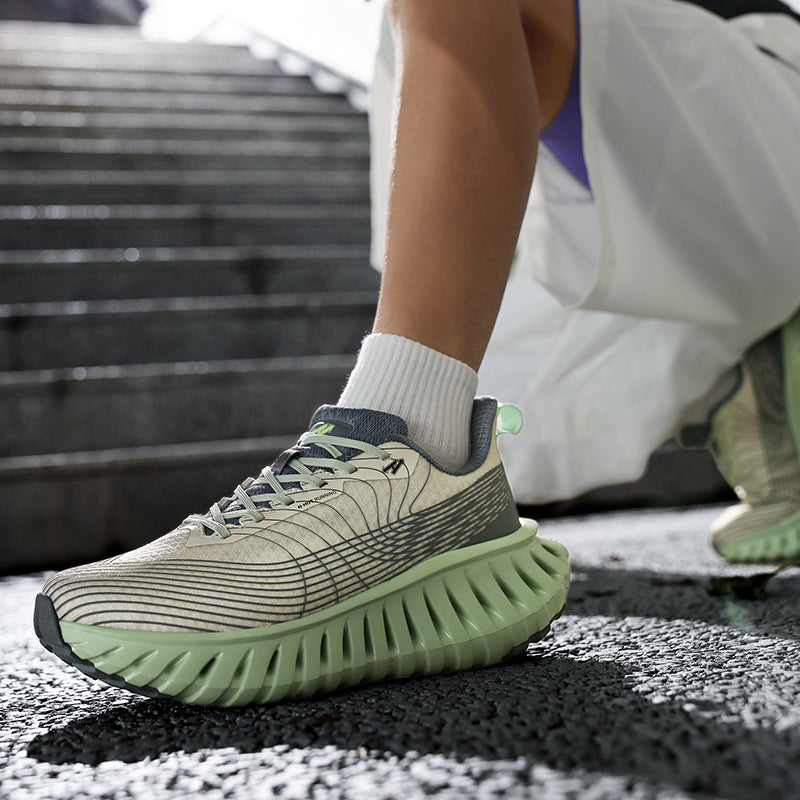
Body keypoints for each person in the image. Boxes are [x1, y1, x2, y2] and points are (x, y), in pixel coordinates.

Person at [33, 0, 800, 706]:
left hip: (767, 98)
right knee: (506, 441)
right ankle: (744, 366)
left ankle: (402, 433)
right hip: (652, 211)